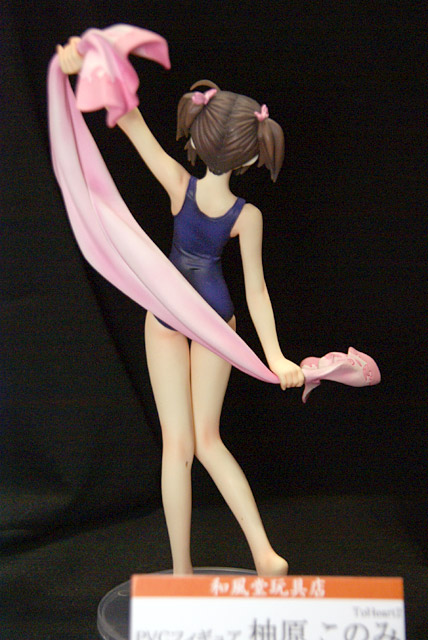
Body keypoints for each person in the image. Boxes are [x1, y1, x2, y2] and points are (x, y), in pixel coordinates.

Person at [57, 36, 306, 576]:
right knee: (198, 443)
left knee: (186, 445)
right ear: (250, 155)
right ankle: (217, 562)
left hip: (193, 321)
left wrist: (277, 356)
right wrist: (84, 66)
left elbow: (130, 122)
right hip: (196, 316)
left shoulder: (195, 192)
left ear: (196, 135)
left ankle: (219, 562)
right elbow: (256, 292)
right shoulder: (238, 211)